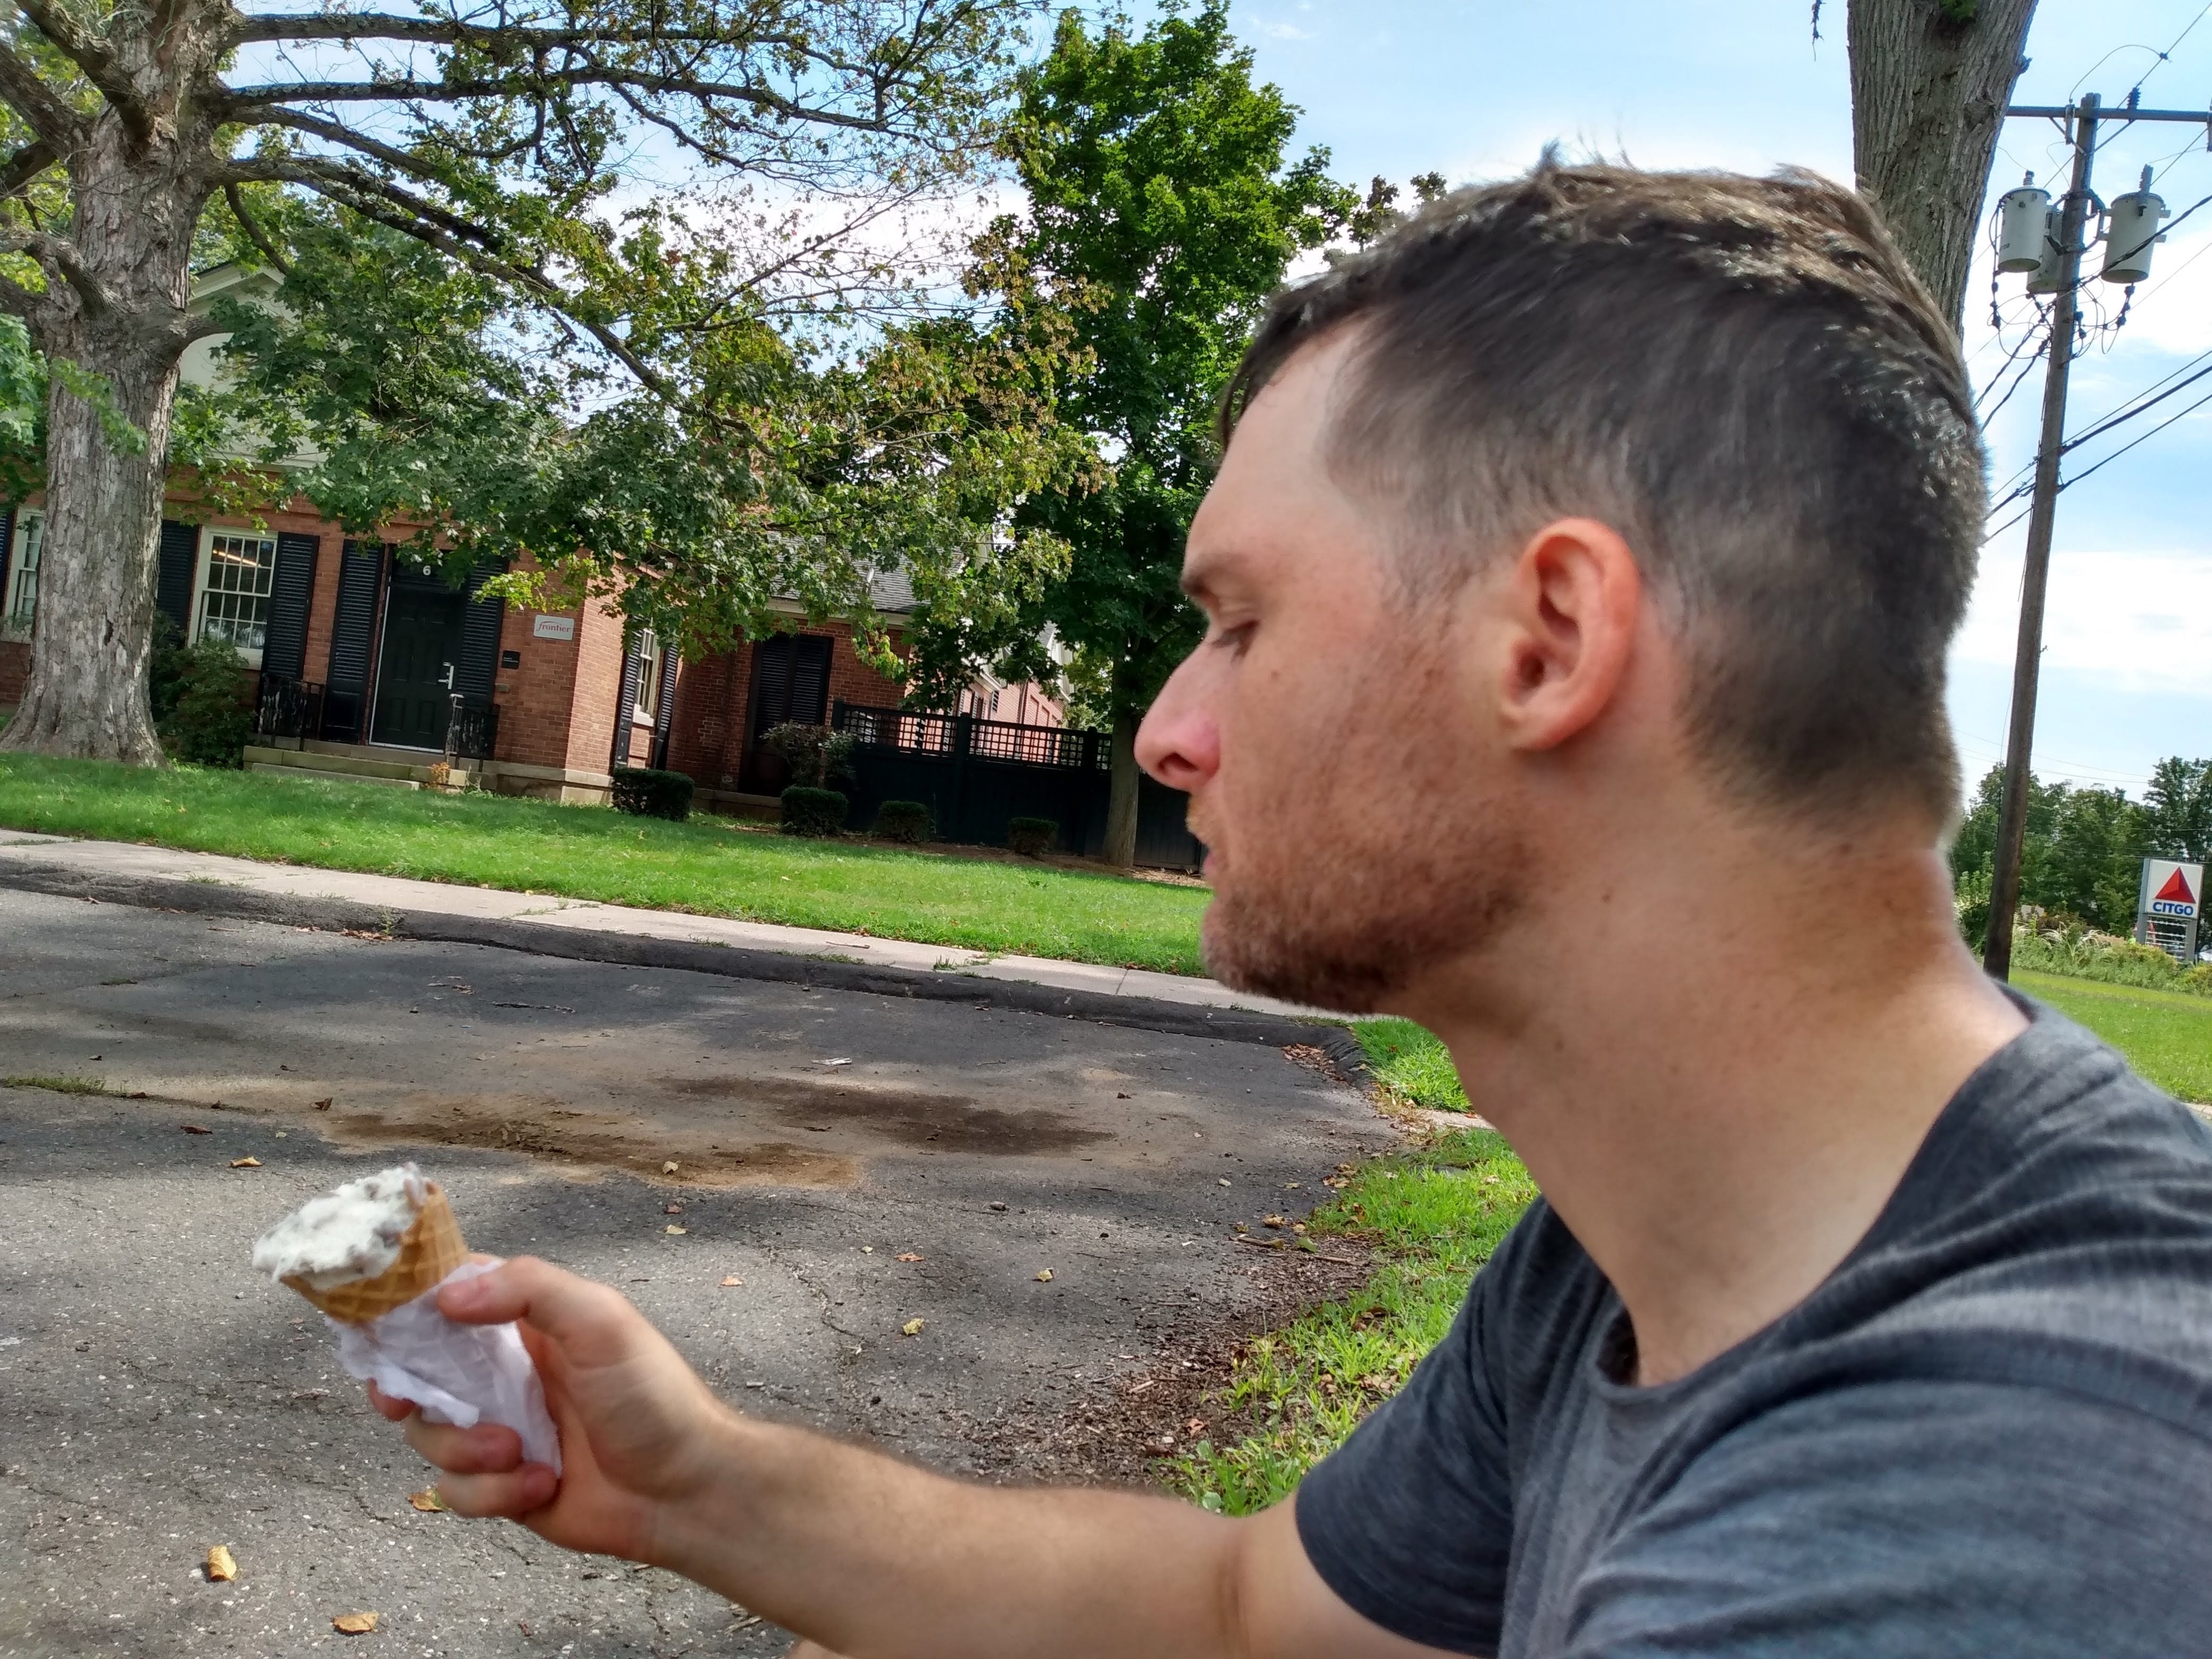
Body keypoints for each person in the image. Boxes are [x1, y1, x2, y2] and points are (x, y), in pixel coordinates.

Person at [373, 162, 2212, 1656]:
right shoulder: (1650, 1252)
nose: (1171, 732)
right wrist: (694, 1485)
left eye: (1244, 622)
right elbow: (1240, 1615)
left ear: (1550, 640)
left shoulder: (1982, 1518)